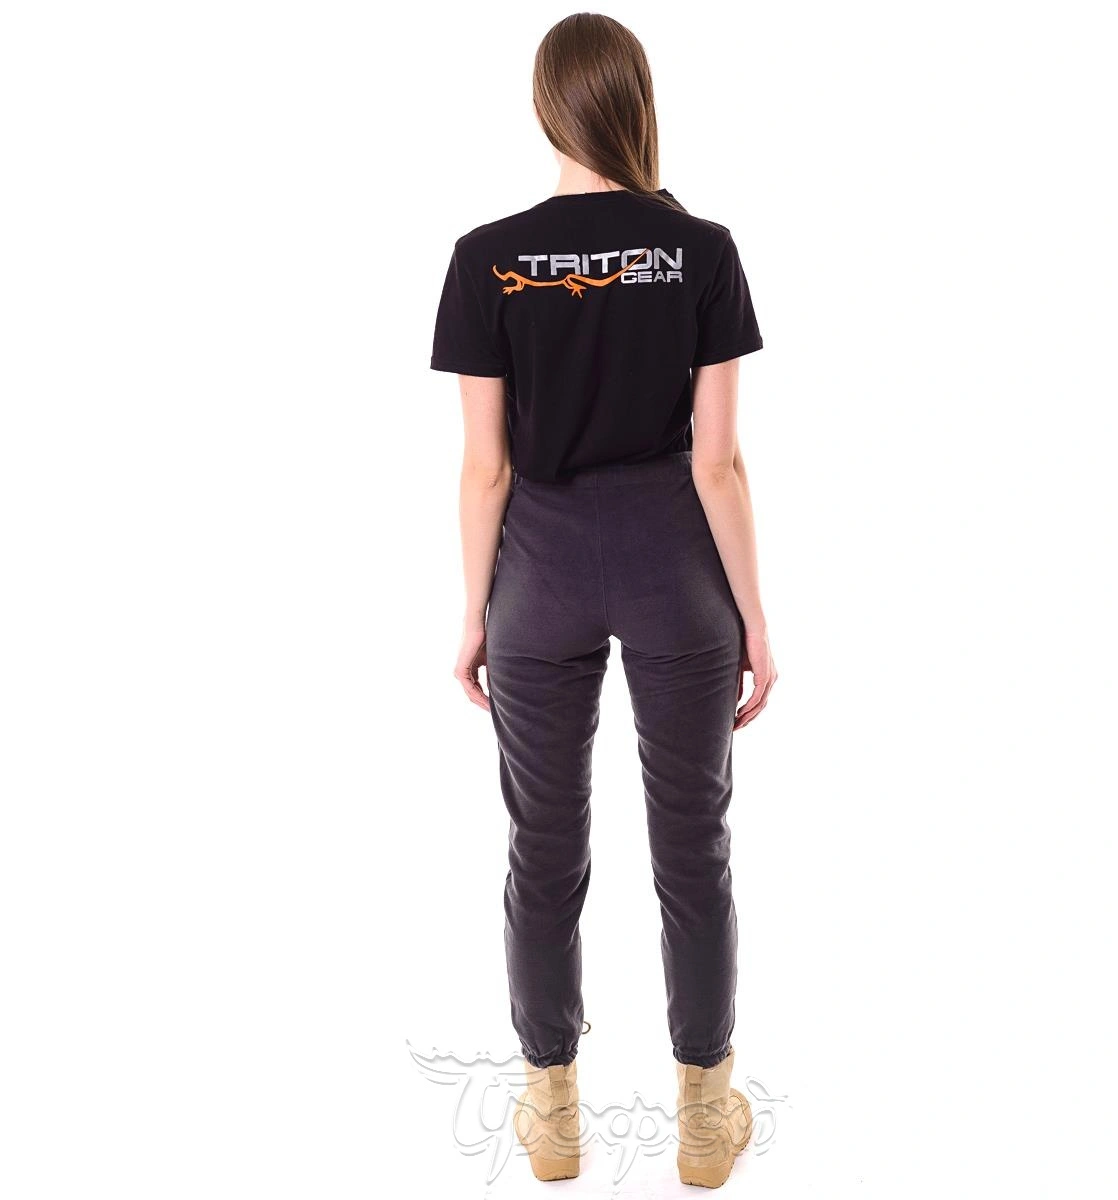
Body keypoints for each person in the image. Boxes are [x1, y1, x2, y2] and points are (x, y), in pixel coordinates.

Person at [430, 12, 778, 1189]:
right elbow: (718, 463)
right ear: (636, 102)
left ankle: (552, 1118)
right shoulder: (703, 249)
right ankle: (705, 1122)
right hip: (674, 565)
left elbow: (486, 467)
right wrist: (754, 616)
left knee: (543, 847)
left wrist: (475, 610)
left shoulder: (487, 257)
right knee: (693, 848)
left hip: (539, 571)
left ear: (547, 108)